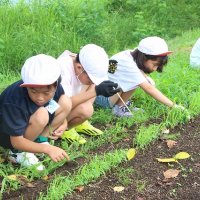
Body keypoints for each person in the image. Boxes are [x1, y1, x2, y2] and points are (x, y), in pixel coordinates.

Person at [0, 54, 72, 170]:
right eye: (33, 92)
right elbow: (16, 140)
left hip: (30, 124)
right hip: (10, 137)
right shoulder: (13, 101)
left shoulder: (55, 86)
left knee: (65, 101)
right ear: (26, 85)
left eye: (46, 93)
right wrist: (48, 149)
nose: (39, 98)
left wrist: (64, 123)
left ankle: (40, 140)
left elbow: (59, 103)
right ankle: (17, 152)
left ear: (56, 84)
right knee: (42, 114)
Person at [95, 36, 184, 117]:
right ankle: (119, 107)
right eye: (155, 64)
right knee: (137, 81)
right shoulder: (128, 64)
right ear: (144, 57)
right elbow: (149, 89)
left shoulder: (128, 55)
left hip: (105, 92)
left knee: (139, 80)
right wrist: (173, 106)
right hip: (103, 99)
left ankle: (122, 103)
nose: (155, 68)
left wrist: (146, 78)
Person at [57, 44, 120, 144]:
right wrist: (96, 91)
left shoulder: (82, 62)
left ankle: (79, 122)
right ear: (79, 67)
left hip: (72, 98)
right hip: (56, 111)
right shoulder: (62, 70)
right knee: (86, 110)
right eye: (90, 78)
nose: (92, 81)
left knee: (93, 85)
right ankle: (65, 129)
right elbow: (64, 104)